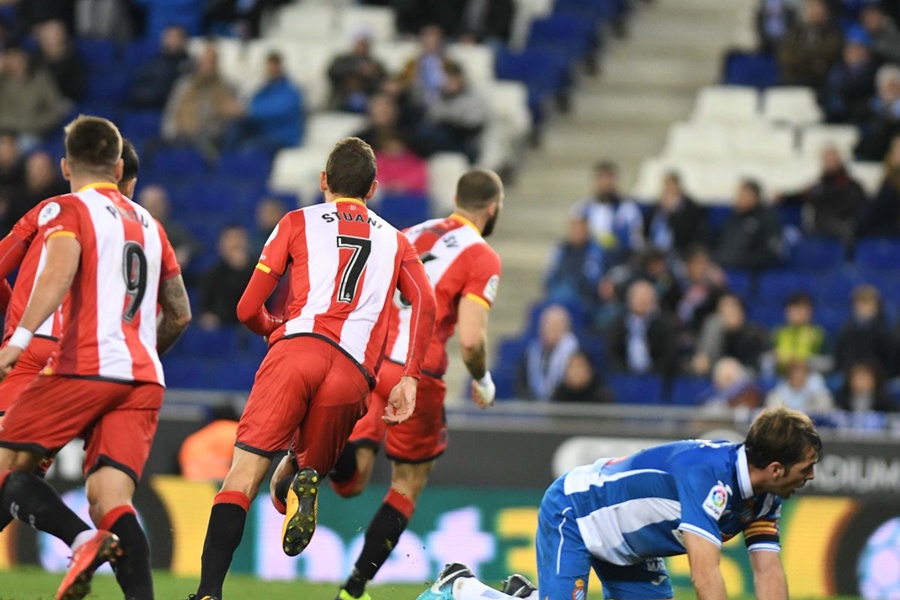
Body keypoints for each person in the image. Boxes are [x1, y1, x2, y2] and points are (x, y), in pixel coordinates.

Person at [188, 137, 436, 600]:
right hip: (351, 373)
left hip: (297, 349)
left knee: (242, 476)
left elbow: (246, 308)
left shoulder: (296, 221)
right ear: (374, 188)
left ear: (323, 181)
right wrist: (410, 378)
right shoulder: (396, 241)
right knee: (308, 469)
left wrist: (272, 327)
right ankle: (300, 474)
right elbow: (426, 301)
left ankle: (207, 593)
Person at [270, 168, 503, 600]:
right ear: (493, 209)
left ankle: (308, 459)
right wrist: (483, 381)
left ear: (455, 197)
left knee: (352, 479)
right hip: (417, 372)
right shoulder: (482, 256)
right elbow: (471, 341)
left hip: (369, 360)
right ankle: (354, 587)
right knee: (407, 483)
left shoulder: (410, 231)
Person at [0, 116, 189, 600]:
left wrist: (19, 337)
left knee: (7, 468)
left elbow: (59, 269)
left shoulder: (69, 208)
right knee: (112, 501)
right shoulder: (151, 224)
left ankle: (81, 539)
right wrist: (140, 353)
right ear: (120, 164)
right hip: (144, 377)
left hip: (83, 364)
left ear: (65, 166)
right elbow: (181, 312)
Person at [417, 406, 821, 600]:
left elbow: (767, 572)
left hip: (629, 548)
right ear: (775, 467)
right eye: (806, 467)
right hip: (577, 513)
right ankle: (460, 588)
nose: (812, 476)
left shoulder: (765, 496)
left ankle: (527, 596)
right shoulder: (709, 476)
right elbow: (705, 574)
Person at [161, 44, 243, 161]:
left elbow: (235, 114)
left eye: (211, 62)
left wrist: (233, 112)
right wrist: (172, 132)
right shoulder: (184, 86)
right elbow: (171, 113)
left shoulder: (227, 87)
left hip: (213, 138)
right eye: (205, 61)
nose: (207, 66)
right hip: (182, 136)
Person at [780, 145, 867, 244]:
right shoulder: (819, 186)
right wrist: (783, 197)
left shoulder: (851, 185)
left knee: (848, 229)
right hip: (822, 225)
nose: (830, 162)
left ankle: (848, 258)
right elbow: (801, 196)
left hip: (844, 223)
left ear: (839, 160)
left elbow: (857, 205)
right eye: (827, 159)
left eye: (832, 159)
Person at [572, 160, 644, 267]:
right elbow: (574, 240)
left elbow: (635, 241)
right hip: (587, 263)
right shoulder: (581, 208)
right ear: (594, 181)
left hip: (620, 262)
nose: (605, 183)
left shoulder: (628, 209)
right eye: (601, 178)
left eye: (609, 178)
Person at [234, 51, 305, 150]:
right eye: (269, 66)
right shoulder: (263, 90)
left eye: (274, 66)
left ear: (280, 67)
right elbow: (251, 104)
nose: (271, 70)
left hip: (284, 138)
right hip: (264, 136)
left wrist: (248, 111)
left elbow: (279, 110)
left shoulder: (291, 91)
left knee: (253, 148)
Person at [607, 279, 678, 377]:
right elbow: (612, 353)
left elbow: (669, 354)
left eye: (646, 299)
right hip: (625, 376)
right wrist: (623, 373)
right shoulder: (618, 324)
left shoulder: (664, 324)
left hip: (656, 376)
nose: (642, 302)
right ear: (629, 300)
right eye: (638, 298)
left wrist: (653, 373)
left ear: (654, 301)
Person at [0, 45, 66, 142]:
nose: (17, 63)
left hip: (32, 133)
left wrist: (33, 124)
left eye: (19, 58)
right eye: (12, 59)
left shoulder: (42, 80)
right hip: (5, 131)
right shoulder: (2, 82)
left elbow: (55, 111)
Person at [714, 179, 783, 272]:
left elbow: (768, 251)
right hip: (724, 267)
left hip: (750, 272)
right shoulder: (732, 217)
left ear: (754, 197)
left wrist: (740, 261)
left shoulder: (766, 219)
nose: (738, 199)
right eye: (738, 195)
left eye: (743, 195)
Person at [543, 210, 605, 312]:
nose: (576, 231)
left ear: (586, 229)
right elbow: (549, 275)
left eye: (579, 227)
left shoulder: (594, 250)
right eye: (573, 227)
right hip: (558, 294)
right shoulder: (560, 249)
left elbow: (593, 279)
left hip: (583, 298)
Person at [197, 225, 256, 329]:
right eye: (230, 239)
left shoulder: (259, 271)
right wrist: (207, 316)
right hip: (220, 326)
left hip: (250, 328)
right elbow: (204, 306)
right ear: (221, 245)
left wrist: (242, 270)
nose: (235, 243)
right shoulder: (212, 273)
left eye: (239, 238)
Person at [518, 304, 580, 401]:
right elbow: (523, 383)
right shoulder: (532, 352)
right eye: (545, 324)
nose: (548, 329)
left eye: (555, 326)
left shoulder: (575, 354)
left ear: (566, 328)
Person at [776, 0, 843, 89]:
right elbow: (786, 55)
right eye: (811, 7)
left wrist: (800, 56)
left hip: (820, 80)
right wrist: (811, 60)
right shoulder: (795, 31)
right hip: (794, 78)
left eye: (817, 7)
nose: (814, 11)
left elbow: (827, 54)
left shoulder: (833, 32)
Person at [833, 284, 893, 375]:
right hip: (849, 376)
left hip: (877, 377)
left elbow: (889, 360)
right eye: (860, 303)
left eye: (868, 303)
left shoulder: (884, 331)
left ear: (876, 306)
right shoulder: (846, 330)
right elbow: (840, 356)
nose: (863, 308)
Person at [128, 25, 193, 109]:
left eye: (174, 37)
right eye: (168, 37)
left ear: (183, 40)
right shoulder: (153, 63)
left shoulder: (188, 65)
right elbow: (138, 87)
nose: (169, 41)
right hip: (147, 105)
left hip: (173, 109)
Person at [646, 172, 708, 256]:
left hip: (679, 250)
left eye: (671, 187)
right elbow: (648, 229)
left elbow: (685, 234)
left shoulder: (690, 207)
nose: (668, 190)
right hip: (654, 249)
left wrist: (672, 213)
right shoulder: (657, 207)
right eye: (666, 187)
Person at [327, 31, 387, 113]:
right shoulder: (342, 60)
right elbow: (332, 72)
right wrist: (356, 69)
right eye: (360, 44)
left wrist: (373, 74)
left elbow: (383, 82)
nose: (362, 47)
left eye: (365, 44)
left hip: (368, 100)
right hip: (341, 100)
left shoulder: (376, 65)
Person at [31, 19, 86, 104]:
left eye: (50, 37)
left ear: (61, 37)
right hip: (36, 96)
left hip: (61, 99)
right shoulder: (35, 57)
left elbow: (74, 90)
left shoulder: (73, 60)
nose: (46, 41)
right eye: (44, 38)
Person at [766, 359, 834, 414]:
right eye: (795, 372)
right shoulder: (780, 390)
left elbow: (826, 409)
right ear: (789, 374)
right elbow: (772, 410)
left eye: (802, 371)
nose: (798, 375)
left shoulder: (816, 388)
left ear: (807, 374)